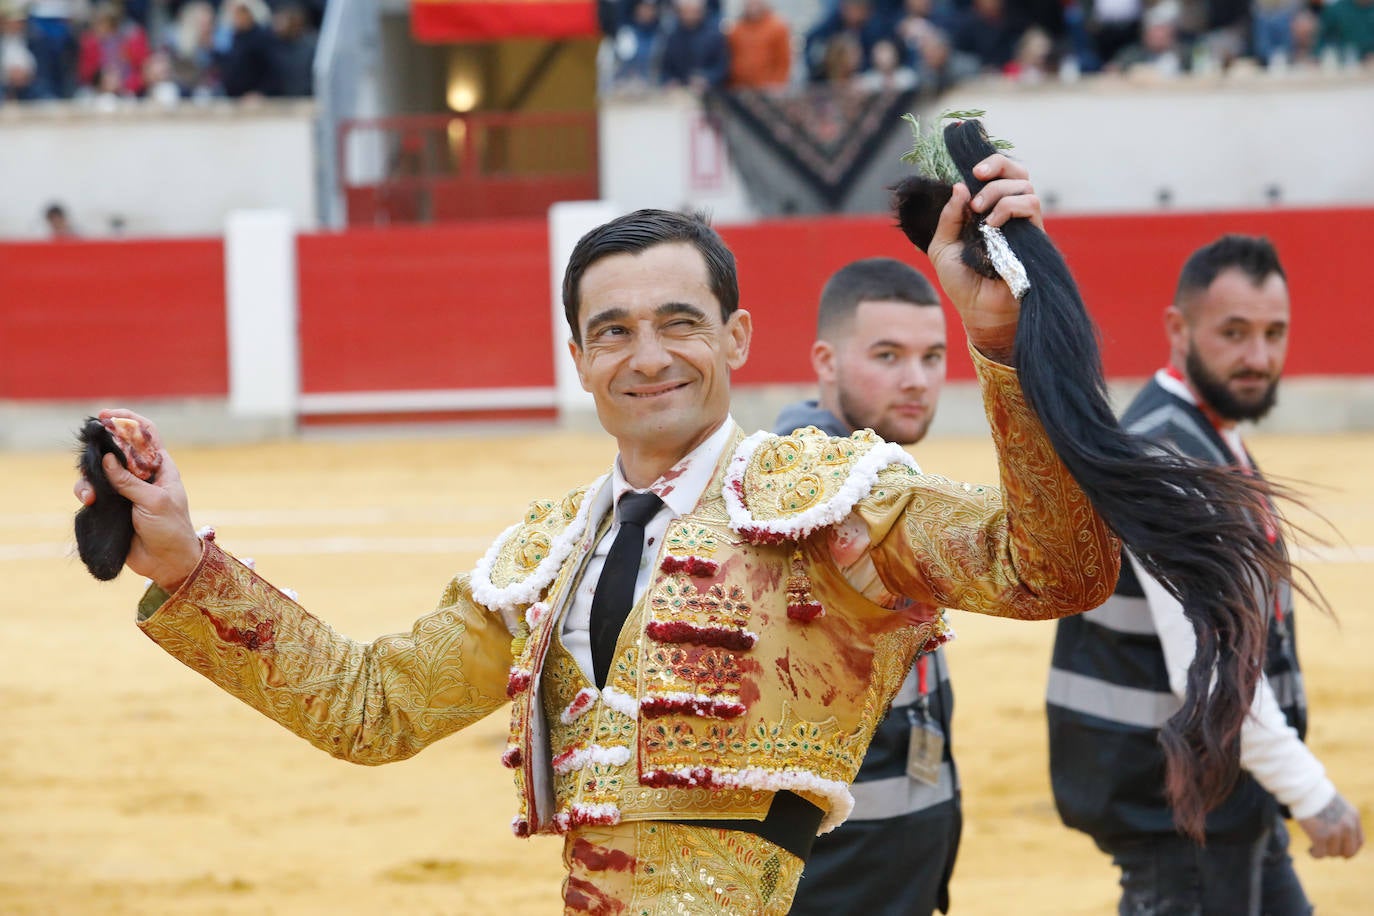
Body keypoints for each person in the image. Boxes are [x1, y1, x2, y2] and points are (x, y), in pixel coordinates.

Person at [77, 155, 1124, 912]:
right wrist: (183, 560)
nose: (648, 356)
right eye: (613, 331)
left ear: (736, 337)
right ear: (577, 357)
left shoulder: (831, 497)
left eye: (679, 322)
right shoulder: (547, 551)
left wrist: (1003, 345)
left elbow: (1052, 569)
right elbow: (371, 708)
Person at [1046, 234, 1365, 914]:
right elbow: (1215, 668)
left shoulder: (1202, 433)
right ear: (1176, 329)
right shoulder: (1174, 458)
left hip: (1219, 790)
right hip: (1180, 810)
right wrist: (1312, 794)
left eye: (1273, 333)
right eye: (1234, 332)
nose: (1258, 357)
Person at [774, 258, 959, 915]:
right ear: (826, 360)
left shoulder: (876, 476)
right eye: (888, 355)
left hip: (884, 863)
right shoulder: (807, 490)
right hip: (838, 872)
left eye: (932, 356)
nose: (917, 380)